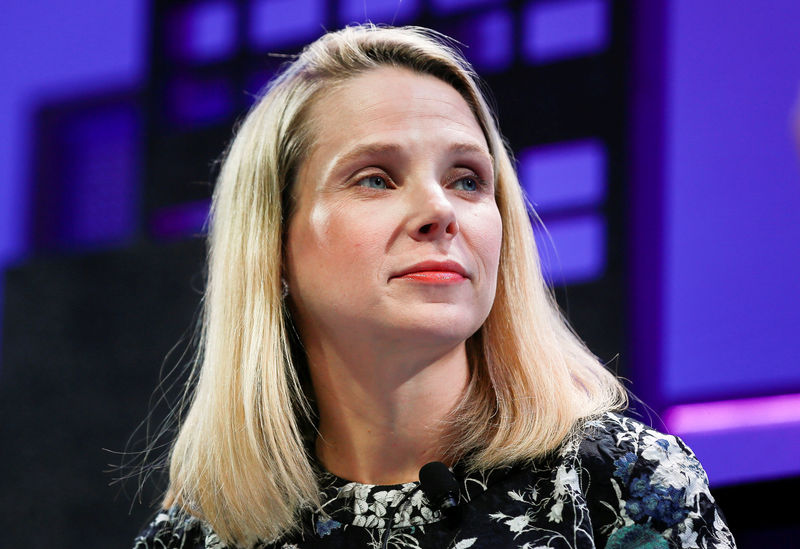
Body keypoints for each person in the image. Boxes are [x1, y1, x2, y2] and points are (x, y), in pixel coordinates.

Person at [133, 25, 736, 549]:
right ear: (275, 245)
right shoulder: (197, 537)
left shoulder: (628, 488)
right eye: (375, 179)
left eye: (468, 180)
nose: (439, 210)